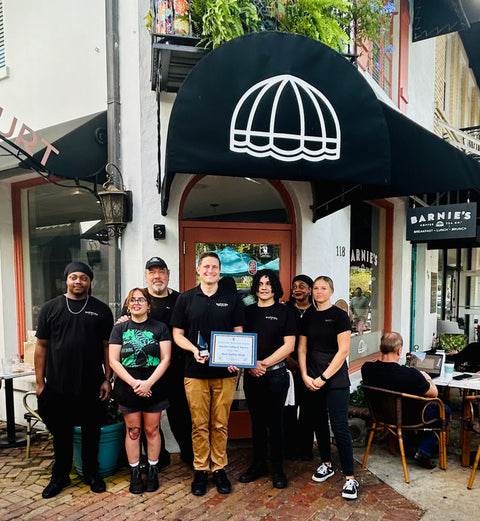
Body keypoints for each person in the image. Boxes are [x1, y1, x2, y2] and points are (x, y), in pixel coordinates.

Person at [35, 262, 114, 498]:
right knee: (61, 434)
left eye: (83, 278)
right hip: (58, 385)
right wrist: (40, 383)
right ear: (66, 280)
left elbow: (107, 346)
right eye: (73, 277)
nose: (78, 282)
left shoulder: (100, 310)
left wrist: (107, 378)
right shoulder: (50, 309)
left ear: (90, 282)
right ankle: (59, 476)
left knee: (92, 431)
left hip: (91, 383)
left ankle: (92, 473)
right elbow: (41, 347)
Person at [171, 252, 245, 496]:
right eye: (206, 266)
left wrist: (236, 358)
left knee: (220, 423)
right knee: (199, 424)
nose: (211, 270)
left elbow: (238, 333)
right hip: (195, 372)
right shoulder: (186, 298)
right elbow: (177, 335)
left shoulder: (232, 299)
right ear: (198, 269)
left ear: (220, 271)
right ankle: (201, 469)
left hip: (225, 373)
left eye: (215, 267)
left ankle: (220, 468)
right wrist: (193, 350)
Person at [298, 276, 359, 500]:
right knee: (319, 424)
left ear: (331, 291)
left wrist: (324, 377)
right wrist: (305, 375)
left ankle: (350, 478)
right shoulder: (308, 316)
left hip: (335, 380)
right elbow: (302, 349)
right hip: (312, 378)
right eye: (315, 288)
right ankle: (326, 463)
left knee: (340, 426)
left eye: (323, 288)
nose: (319, 291)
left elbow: (343, 351)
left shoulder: (340, 316)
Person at [109, 288, 171, 494]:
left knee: (152, 430)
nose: (137, 303)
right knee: (133, 431)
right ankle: (135, 472)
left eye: (141, 299)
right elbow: (113, 361)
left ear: (148, 304)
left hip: (155, 386)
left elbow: (166, 359)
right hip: (128, 387)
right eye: (132, 300)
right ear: (128, 304)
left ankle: (153, 470)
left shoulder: (160, 328)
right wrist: (135, 383)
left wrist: (148, 383)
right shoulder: (119, 329)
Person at [239, 270, 296, 488]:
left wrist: (263, 364)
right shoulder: (247, 311)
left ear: (275, 287)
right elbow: (240, 340)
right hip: (252, 376)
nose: (264, 287)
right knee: (257, 424)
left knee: (276, 423)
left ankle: (278, 470)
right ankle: (259, 465)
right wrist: (251, 364)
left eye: (268, 283)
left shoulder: (285, 312)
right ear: (255, 287)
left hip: (276, 376)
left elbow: (289, 345)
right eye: (260, 283)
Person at [361, 331, 450, 469]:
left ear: (380, 348)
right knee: (443, 409)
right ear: (399, 350)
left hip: (380, 415)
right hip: (407, 418)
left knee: (419, 405)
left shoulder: (366, 368)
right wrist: (426, 378)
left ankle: (412, 444)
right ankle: (424, 450)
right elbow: (434, 393)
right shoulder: (410, 374)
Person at [284, 274, 315, 461]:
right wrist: (288, 359)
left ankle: (305, 448)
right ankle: (289, 448)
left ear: (310, 290)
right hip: (288, 366)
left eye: (302, 286)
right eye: (294, 286)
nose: (297, 289)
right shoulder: (286, 310)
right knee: (288, 409)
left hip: (311, 369)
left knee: (308, 410)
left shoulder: (317, 311)